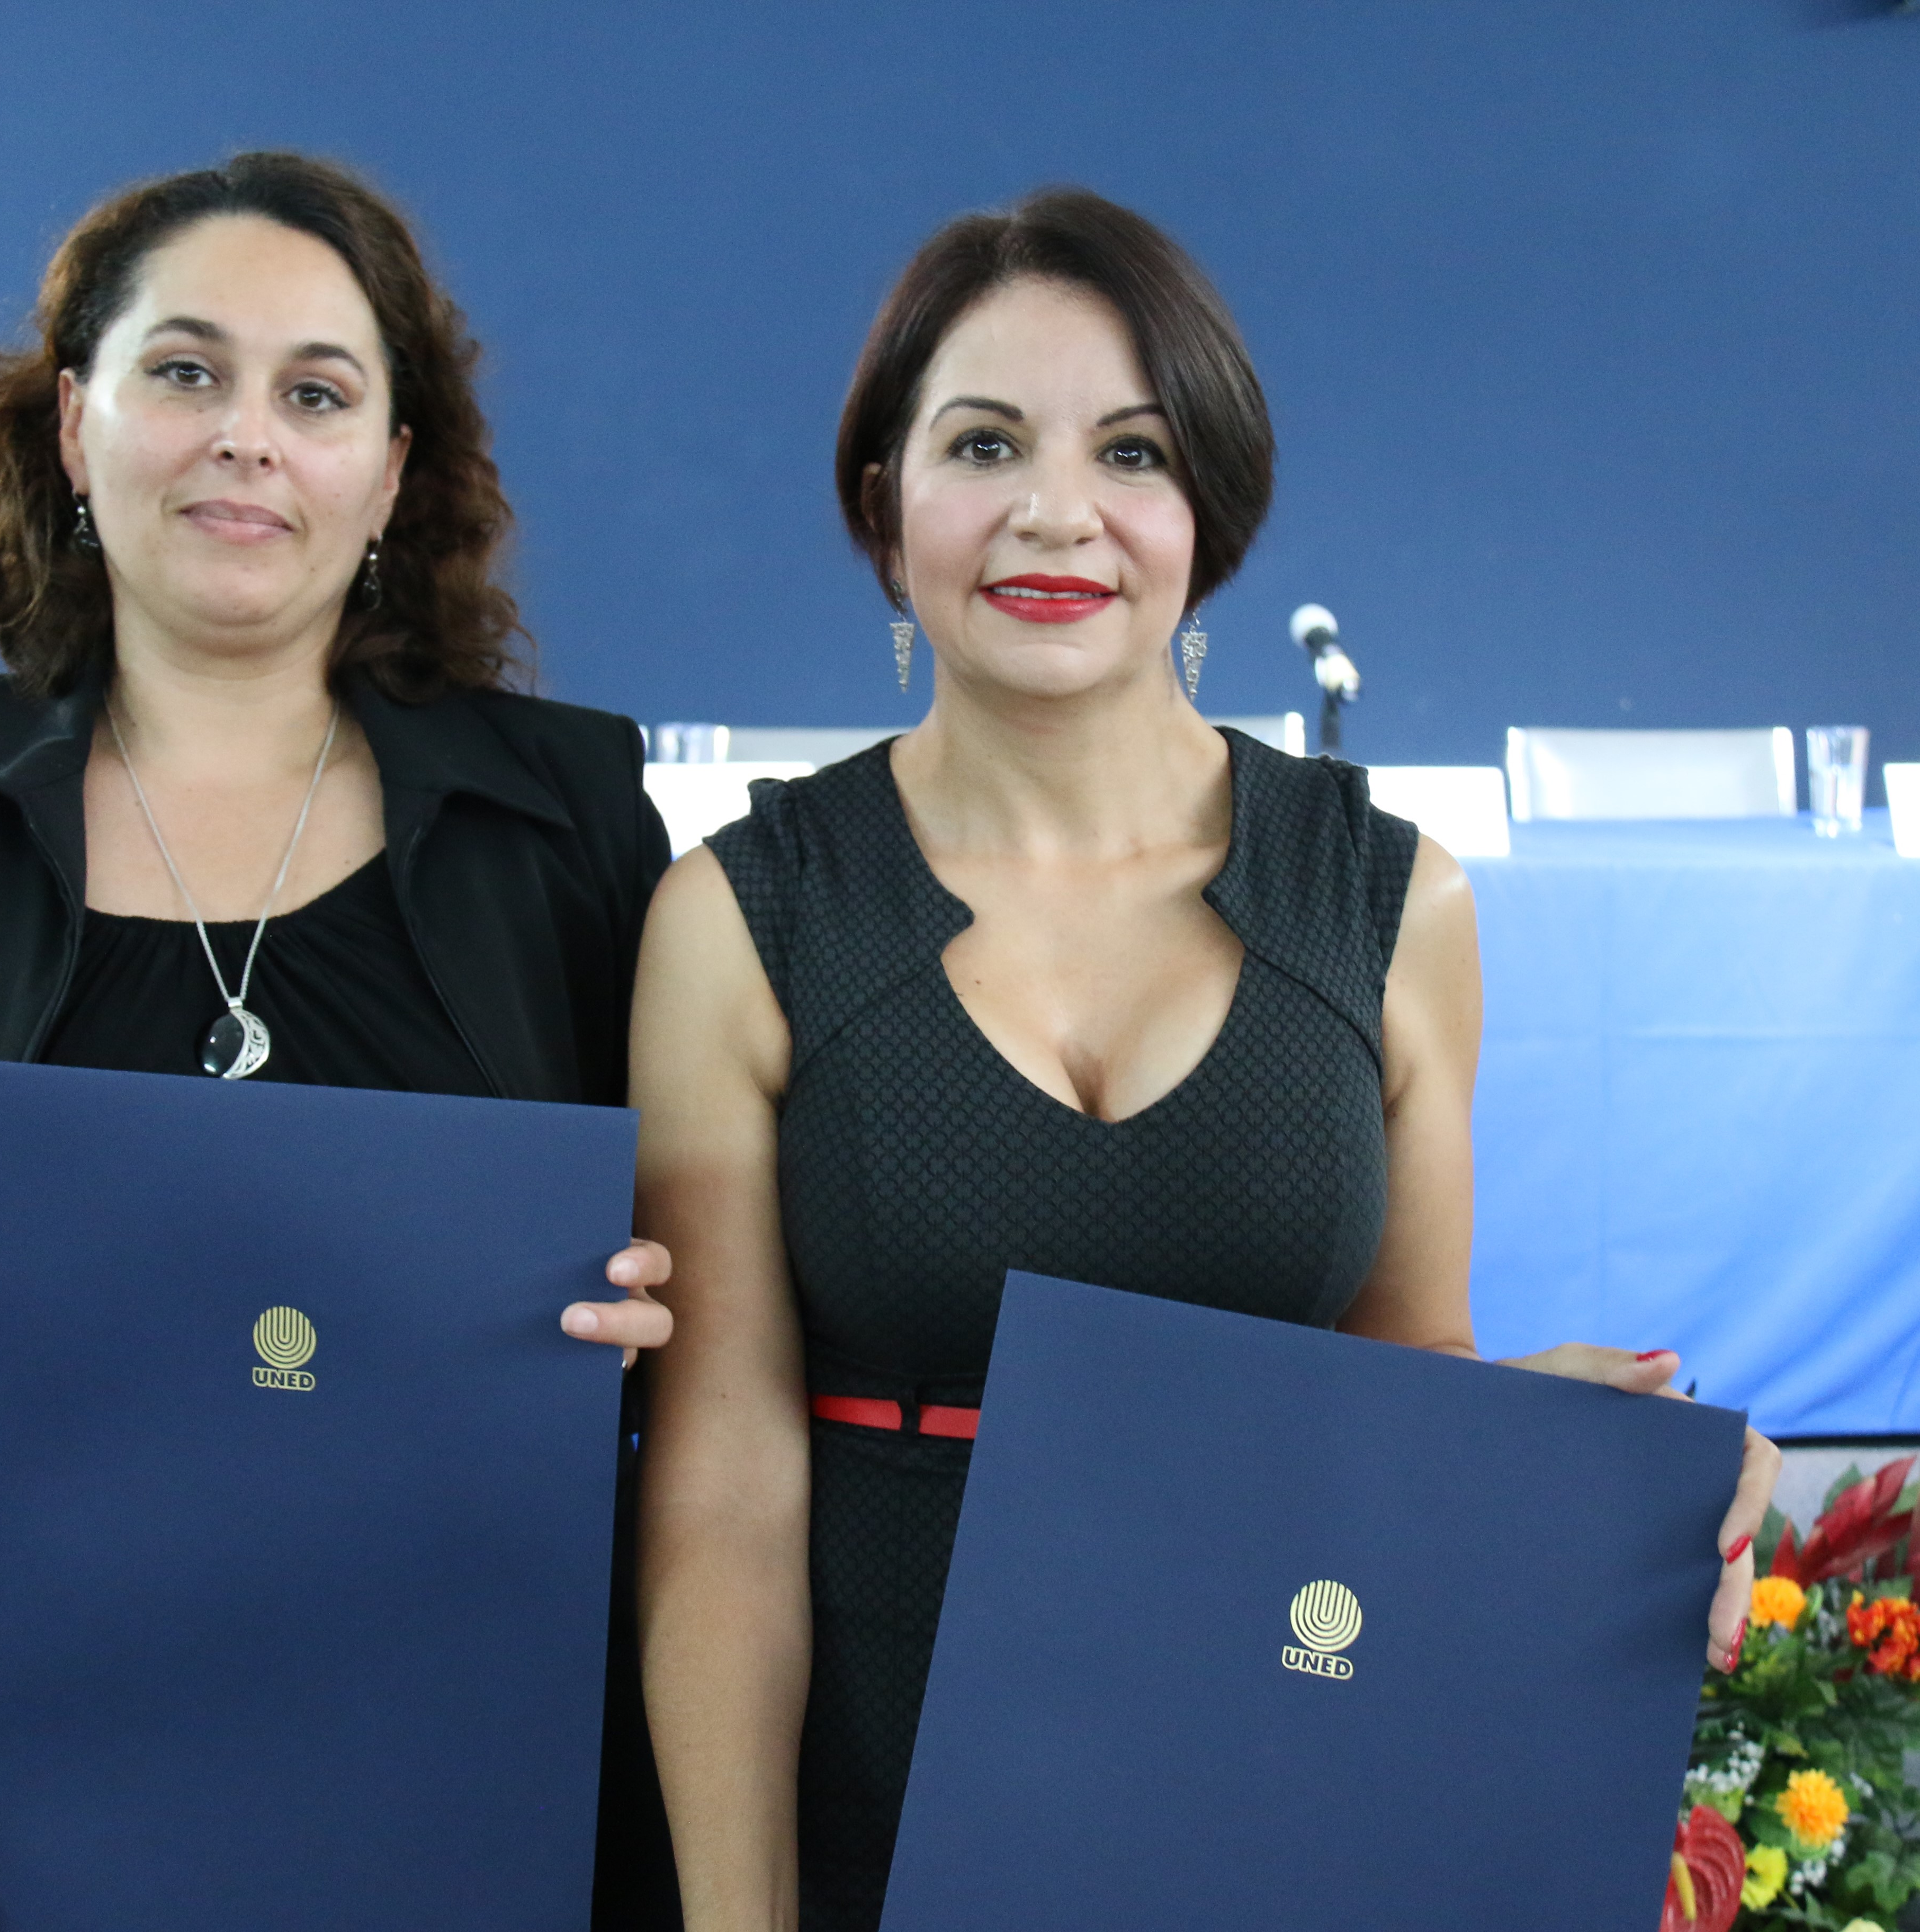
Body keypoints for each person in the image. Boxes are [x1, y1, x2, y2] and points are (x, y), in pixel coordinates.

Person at [627, 188, 1781, 1932]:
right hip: (878, 1795)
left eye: (1133, 452)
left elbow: (1398, 1401)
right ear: (883, 501)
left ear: (1207, 507)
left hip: (1261, 1790)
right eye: (984, 444)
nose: (1056, 512)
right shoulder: (742, 914)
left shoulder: (1393, 901)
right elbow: (722, 1486)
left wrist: (1592, 1454)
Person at [0, 153, 678, 1932]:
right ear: (76, 426)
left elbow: (703, 1334)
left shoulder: (573, 820)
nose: (245, 437)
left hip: (471, 1814)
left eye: (317, 394)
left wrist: (664, 1316)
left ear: (395, 471)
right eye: (186, 370)